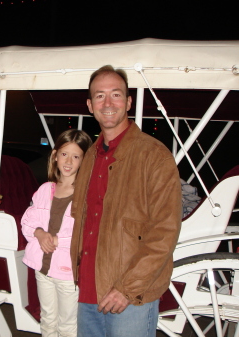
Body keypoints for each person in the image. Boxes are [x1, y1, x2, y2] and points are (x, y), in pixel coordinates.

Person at [70, 65, 182, 337]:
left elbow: (165, 232)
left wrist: (127, 288)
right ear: (89, 104)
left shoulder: (154, 156)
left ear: (129, 101)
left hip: (129, 296)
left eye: (116, 94)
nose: (107, 103)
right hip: (87, 290)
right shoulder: (89, 157)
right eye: (99, 96)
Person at [22, 129, 92, 337]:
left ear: (84, 161)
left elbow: (86, 232)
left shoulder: (85, 194)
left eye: (76, 156)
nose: (69, 161)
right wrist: (39, 233)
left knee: (68, 326)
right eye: (64, 154)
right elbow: (27, 220)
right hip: (43, 268)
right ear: (55, 156)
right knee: (47, 319)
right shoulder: (45, 189)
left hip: (68, 272)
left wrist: (57, 240)